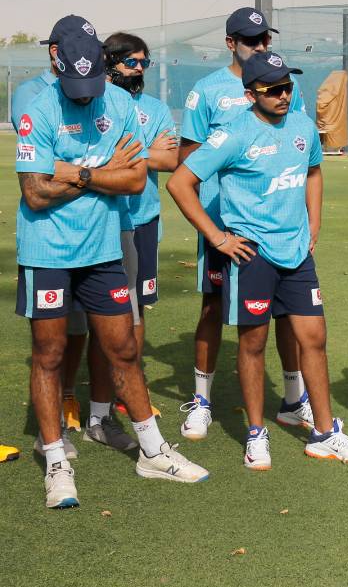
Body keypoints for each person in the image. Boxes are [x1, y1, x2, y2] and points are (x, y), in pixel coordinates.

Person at [15, 29, 209, 509]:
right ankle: (56, 461)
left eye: (93, 86)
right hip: (47, 252)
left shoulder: (119, 104)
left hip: (103, 250)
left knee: (123, 348)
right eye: (76, 89)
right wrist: (104, 172)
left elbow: (136, 179)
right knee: (50, 354)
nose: (86, 97)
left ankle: (153, 452)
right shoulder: (39, 110)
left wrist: (74, 171)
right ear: (58, 69)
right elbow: (35, 193)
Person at [167, 51, 348, 470]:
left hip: (296, 252)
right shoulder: (232, 135)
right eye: (273, 90)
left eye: (287, 87)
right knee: (253, 343)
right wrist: (218, 238)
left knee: (314, 338)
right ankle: (256, 433)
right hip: (252, 254)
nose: (283, 96)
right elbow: (180, 182)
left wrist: (314, 221)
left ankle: (325, 433)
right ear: (251, 95)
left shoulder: (302, 126)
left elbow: (313, 171)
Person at [178, 7, 312, 441]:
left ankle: (293, 399)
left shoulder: (287, 85)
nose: (260, 45)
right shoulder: (207, 90)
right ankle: (202, 400)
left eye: (265, 38)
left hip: (277, 225)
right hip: (223, 223)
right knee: (213, 307)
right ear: (230, 43)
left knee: (288, 313)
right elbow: (188, 159)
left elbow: (298, 144)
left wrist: (303, 220)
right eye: (251, 39)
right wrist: (215, 231)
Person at [79, 31, 178, 451]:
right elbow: (96, 160)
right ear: (109, 61)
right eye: (131, 62)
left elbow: (171, 159)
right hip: (104, 222)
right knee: (102, 320)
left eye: (144, 63)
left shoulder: (155, 108)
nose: (138, 69)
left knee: (137, 317)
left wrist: (130, 155)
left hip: (144, 222)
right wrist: (140, 152)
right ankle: (96, 407)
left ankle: (128, 396)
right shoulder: (96, 102)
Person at [13, 15, 97, 443]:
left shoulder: (100, 92)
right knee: (50, 340)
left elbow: (126, 167)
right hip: (49, 237)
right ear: (54, 52)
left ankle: (68, 395)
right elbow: (41, 172)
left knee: (82, 327)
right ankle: (50, 434)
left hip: (95, 235)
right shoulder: (31, 96)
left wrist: (80, 170)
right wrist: (96, 173)